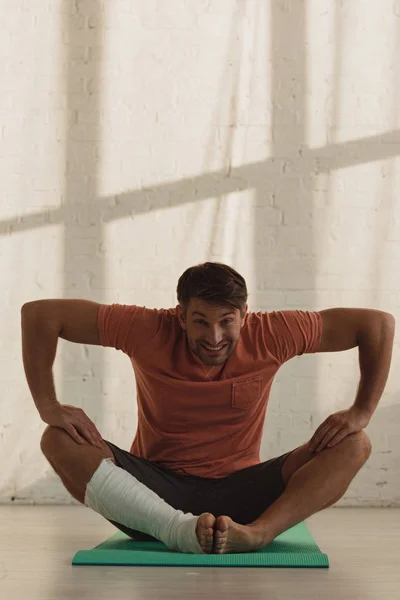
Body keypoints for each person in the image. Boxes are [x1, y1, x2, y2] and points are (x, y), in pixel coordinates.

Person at [22, 262, 393, 554]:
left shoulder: (271, 333)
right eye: (200, 321)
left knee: (354, 443)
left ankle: (258, 535)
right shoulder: (148, 328)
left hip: (241, 498)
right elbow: (40, 314)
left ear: (244, 314)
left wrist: (361, 410)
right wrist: (48, 405)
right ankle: (175, 530)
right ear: (180, 315)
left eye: (226, 322)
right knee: (57, 439)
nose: (214, 337)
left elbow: (376, 324)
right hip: (151, 498)